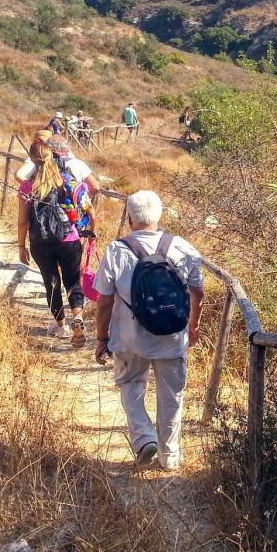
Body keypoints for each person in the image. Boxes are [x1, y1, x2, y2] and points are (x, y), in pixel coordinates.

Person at [93, 190, 204, 471]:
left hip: (130, 339)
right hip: (173, 336)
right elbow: (197, 292)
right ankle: (170, 457)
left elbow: (104, 301)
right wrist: (193, 326)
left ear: (130, 218)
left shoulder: (117, 251)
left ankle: (144, 439)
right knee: (172, 394)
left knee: (130, 384)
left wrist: (102, 338)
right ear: (159, 215)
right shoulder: (183, 247)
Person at [16, 138, 95, 347]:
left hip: (40, 242)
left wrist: (21, 246)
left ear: (33, 161)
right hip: (68, 239)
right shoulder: (70, 182)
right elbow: (89, 210)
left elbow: (23, 221)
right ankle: (77, 316)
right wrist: (88, 233)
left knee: (51, 283)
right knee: (72, 281)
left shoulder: (28, 186)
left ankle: (61, 327)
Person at [16, 131, 102, 202]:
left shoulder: (40, 161)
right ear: (66, 147)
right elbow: (95, 187)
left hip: (42, 209)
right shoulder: (78, 164)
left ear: (47, 147)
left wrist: (31, 189)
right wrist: (82, 199)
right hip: (70, 210)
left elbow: (18, 175)